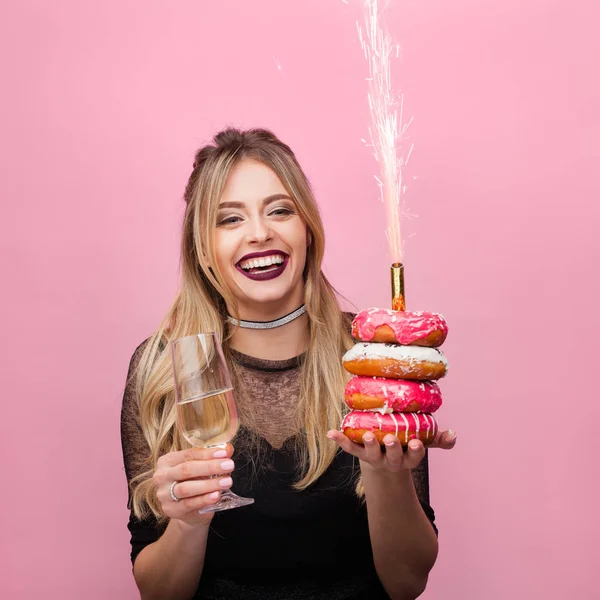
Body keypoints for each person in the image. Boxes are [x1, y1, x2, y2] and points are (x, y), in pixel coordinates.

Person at [120, 127, 456, 600]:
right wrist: (190, 521)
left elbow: (406, 583)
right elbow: (160, 593)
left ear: (308, 230)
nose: (260, 233)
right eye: (229, 219)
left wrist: (386, 473)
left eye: (280, 210)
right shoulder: (159, 369)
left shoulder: (374, 358)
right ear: (202, 248)